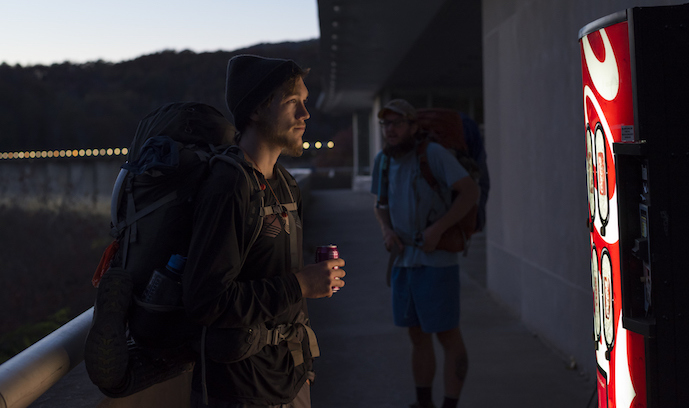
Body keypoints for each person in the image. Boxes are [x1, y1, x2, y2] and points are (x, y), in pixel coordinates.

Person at [182, 54, 346, 407]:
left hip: (291, 377)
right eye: (292, 103)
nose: (305, 114)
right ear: (255, 110)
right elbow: (206, 300)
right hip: (242, 390)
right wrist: (301, 284)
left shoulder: (286, 184)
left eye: (304, 102)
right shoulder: (228, 185)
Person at [371, 99, 479, 408]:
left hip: (436, 263)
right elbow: (379, 205)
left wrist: (438, 230)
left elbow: (470, 192)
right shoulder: (384, 161)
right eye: (386, 124)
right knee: (417, 336)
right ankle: (424, 403)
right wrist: (387, 231)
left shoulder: (434, 154)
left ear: (413, 127)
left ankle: (449, 404)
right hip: (404, 263)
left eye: (397, 123)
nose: (390, 130)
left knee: (447, 335)